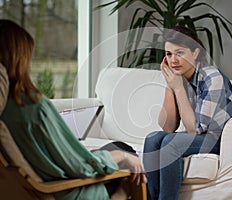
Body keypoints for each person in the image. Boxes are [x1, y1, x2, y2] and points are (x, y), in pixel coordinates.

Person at [0, 19, 146, 200]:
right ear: (19, 58)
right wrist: (122, 157)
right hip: (71, 191)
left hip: (26, 189)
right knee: (128, 158)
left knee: (117, 150)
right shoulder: (33, 108)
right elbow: (81, 167)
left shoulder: (6, 109)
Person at [143, 26, 232, 200]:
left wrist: (179, 89)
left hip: (223, 139)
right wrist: (170, 86)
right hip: (200, 136)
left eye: (179, 53)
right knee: (153, 138)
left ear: (196, 52)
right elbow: (167, 127)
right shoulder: (179, 77)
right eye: (168, 54)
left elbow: (195, 130)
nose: (173, 60)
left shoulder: (212, 77)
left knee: (170, 143)